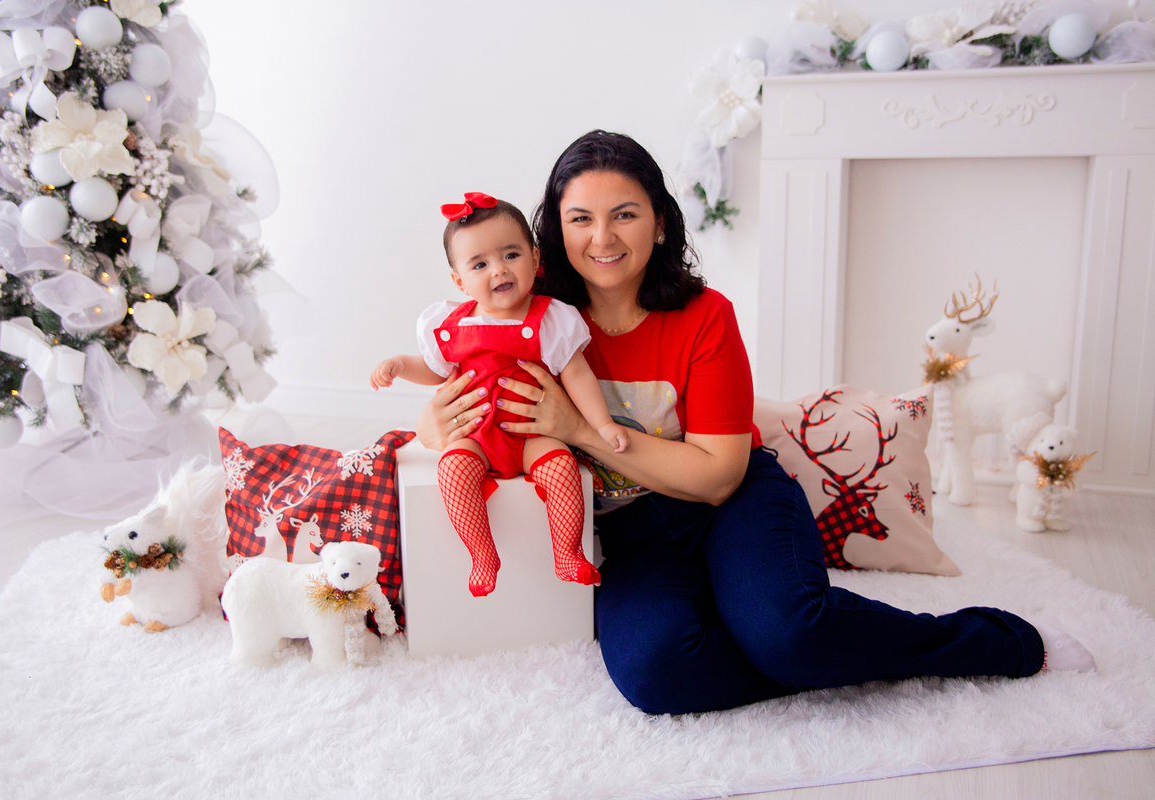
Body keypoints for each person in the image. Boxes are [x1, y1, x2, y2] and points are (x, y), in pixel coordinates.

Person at [413, 132, 1096, 714]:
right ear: (551, 235)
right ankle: (787, 643)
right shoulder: (529, 317)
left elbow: (718, 476)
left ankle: (988, 641)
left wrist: (582, 430)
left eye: (624, 214)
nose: (602, 237)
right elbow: (455, 398)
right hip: (628, 533)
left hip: (733, 505)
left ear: (658, 221)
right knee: (657, 674)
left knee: (795, 633)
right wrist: (439, 420)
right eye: (580, 219)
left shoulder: (705, 316)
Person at [371, 192, 629, 597]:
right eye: (480, 264)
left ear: (535, 258)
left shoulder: (551, 319)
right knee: (453, 471)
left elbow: (578, 375)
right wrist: (402, 366)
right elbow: (436, 370)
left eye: (511, 255)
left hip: (531, 432)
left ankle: (567, 551)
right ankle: (481, 553)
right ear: (459, 280)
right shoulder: (450, 322)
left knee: (560, 470)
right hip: (476, 434)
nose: (498, 270)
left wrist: (602, 423)